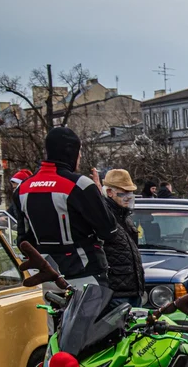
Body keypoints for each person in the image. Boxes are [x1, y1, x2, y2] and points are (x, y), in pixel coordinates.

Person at [18, 127, 117, 283]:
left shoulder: (22, 188)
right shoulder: (81, 185)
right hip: (85, 273)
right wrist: (101, 196)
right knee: (93, 308)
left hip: (46, 275)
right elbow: (109, 230)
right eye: (79, 152)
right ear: (72, 153)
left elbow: (22, 240)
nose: (80, 156)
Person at [100, 169, 146, 306]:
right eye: (124, 193)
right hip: (116, 294)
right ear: (109, 193)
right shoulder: (104, 217)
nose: (128, 197)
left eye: (130, 192)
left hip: (133, 291)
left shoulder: (125, 218)